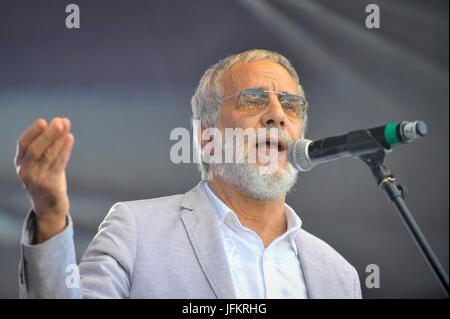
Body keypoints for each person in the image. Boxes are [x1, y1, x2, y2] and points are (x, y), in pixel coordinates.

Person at [15, 49, 362, 298]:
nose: (277, 114)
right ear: (207, 138)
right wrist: (50, 218)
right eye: (253, 100)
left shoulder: (338, 274)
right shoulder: (135, 231)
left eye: (291, 104)